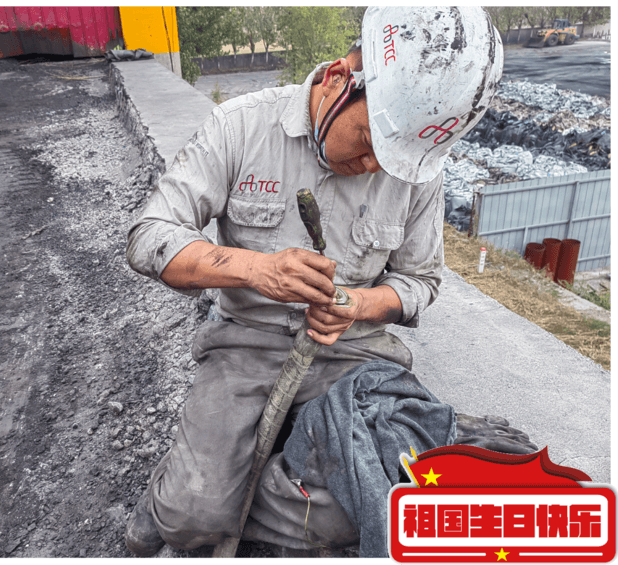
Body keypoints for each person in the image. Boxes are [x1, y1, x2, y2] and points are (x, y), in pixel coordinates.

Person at [125, 6, 512, 556]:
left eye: (393, 160)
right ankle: (195, 494)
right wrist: (256, 269)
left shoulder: (417, 171)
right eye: (370, 141)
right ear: (337, 80)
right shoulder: (240, 126)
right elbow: (149, 236)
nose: (376, 167)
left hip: (352, 353)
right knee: (190, 519)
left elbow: (421, 279)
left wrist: (359, 304)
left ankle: (239, 483)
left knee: (363, 506)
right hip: (245, 344)